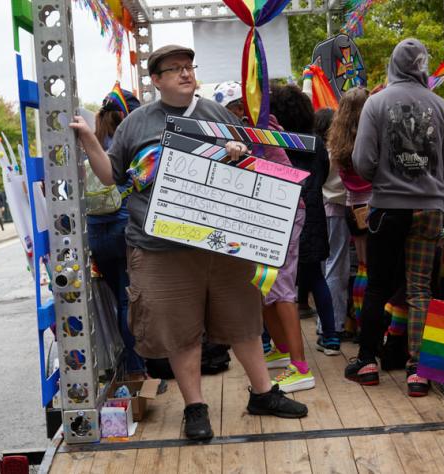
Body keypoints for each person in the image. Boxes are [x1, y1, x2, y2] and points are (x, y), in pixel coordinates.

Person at [70, 45, 308, 440]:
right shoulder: (136, 123)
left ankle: (263, 393)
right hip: (160, 247)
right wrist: (88, 142)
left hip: (222, 242)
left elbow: (245, 170)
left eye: (188, 67)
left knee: (243, 319)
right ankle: (195, 408)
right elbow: (111, 176)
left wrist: (237, 153)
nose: (185, 73)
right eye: (174, 69)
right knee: (180, 330)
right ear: (156, 80)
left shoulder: (216, 115)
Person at [344, 38, 444, 397]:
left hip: (388, 207)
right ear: (423, 66)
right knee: (420, 288)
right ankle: (419, 373)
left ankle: (368, 361)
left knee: (377, 285)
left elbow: (361, 162)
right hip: (430, 209)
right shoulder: (441, 106)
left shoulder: (376, 103)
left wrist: (384, 177)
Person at [213, 81, 315, 392]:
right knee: (262, 284)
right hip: (264, 215)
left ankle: (300, 367)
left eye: (231, 111)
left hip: (281, 212)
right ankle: (283, 350)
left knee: (281, 286)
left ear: (242, 110)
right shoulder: (243, 131)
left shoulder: (258, 127)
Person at [270, 85, 340, 356]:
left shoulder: (273, 140)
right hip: (313, 214)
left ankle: (273, 342)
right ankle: (331, 337)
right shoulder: (315, 143)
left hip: (282, 216)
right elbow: (322, 176)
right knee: (316, 277)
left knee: (274, 284)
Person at [86, 85, 146, 377]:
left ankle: (121, 363)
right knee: (128, 302)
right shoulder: (127, 141)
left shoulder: (90, 142)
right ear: (126, 114)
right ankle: (136, 367)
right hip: (124, 230)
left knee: (112, 302)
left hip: (95, 234)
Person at [327, 87, 371, 335]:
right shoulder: (370, 138)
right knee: (375, 271)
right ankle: (373, 327)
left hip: (352, 207)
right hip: (374, 207)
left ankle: (359, 324)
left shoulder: (337, 142)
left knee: (362, 268)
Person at [318, 108, 351, 338]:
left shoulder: (317, 149)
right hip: (338, 210)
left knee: (325, 268)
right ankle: (334, 325)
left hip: (321, 210)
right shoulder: (337, 151)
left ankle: (326, 324)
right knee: (337, 269)